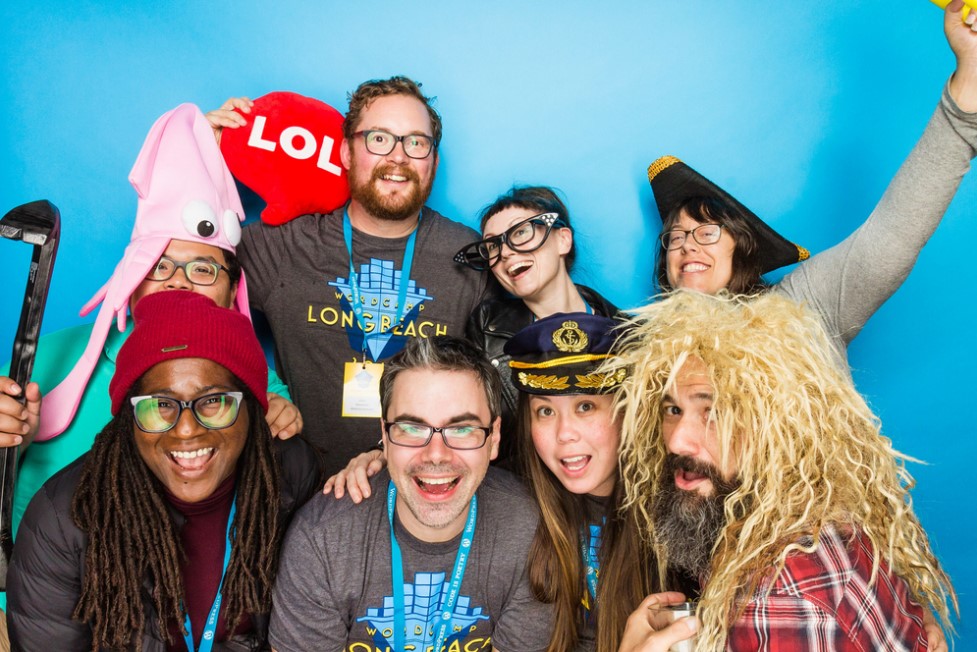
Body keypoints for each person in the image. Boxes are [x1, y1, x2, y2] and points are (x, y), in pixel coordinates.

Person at [0, 103, 300, 556]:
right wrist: (8, 443)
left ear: (232, 289)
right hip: (29, 602)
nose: (177, 281)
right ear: (131, 278)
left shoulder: (261, 386)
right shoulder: (46, 358)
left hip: (162, 614)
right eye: (158, 266)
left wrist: (275, 425)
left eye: (202, 268)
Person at [610, 290, 956, 651]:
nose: (677, 442)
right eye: (673, 410)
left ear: (775, 429)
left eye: (714, 412)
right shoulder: (798, 520)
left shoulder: (777, 602)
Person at [646, 1, 977, 368]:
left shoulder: (807, 305)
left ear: (742, 246)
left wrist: (968, 85)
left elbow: (893, 237)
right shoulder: (651, 358)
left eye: (705, 232)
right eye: (675, 238)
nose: (686, 246)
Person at [206, 76, 492, 475]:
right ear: (344, 152)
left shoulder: (469, 256)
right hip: (301, 491)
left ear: (434, 161)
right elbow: (180, 292)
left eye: (416, 142)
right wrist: (199, 156)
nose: (398, 157)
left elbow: (499, 388)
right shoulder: (284, 245)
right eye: (379, 139)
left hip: (425, 486)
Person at [6, 291, 322, 650]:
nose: (187, 429)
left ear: (251, 405)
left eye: (214, 401)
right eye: (159, 405)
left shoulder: (289, 472)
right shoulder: (64, 516)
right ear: (129, 418)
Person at [268, 336, 553, 651]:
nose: (436, 454)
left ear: (494, 437)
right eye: (412, 428)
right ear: (385, 437)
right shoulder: (321, 539)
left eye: (461, 429)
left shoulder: (532, 531)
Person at [503, 312, 662, 652]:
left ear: (628, 409)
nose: (564, 435)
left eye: (585, 406)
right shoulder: (510, 502)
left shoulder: (676, 510)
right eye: (545, 411)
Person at [457, 186, 620, 462]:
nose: (506, 253)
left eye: (520, 232)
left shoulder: (628, 334)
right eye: (493, 246)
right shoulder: (486, 330)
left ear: (563, 240)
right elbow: (456, 415)